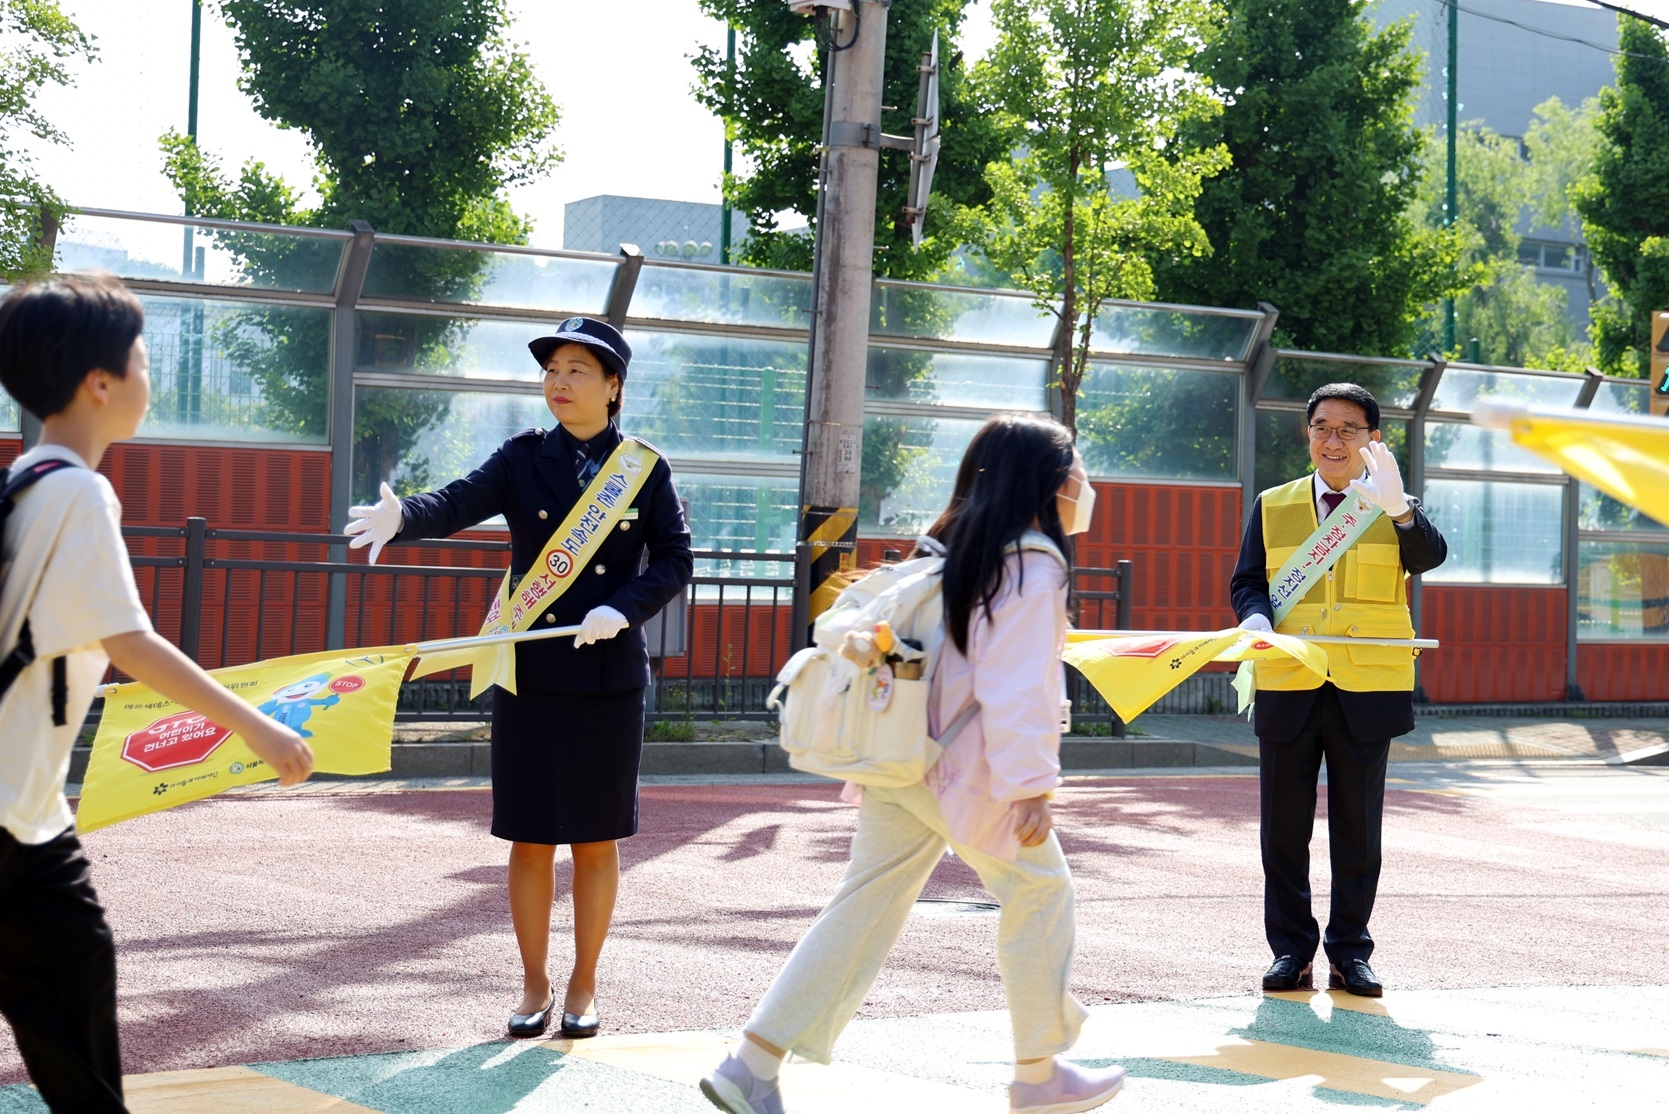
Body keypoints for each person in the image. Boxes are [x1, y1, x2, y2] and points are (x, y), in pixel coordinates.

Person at [700, 412, 1125, 1114]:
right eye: (1074, 463)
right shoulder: (1031, 562)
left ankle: (753, 1062)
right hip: (968, 771)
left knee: (864, 903)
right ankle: (1038, 1072)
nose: (1084, 478)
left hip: (900, 761)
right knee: (1041, 892)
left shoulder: (954, 548)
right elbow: (1016, 687)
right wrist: (1031, 787)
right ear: (1047, 480)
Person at [0, 274, 314, 1113]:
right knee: (72, 1002)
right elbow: (130, 642)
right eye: (140, 356)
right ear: (99, 384)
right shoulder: (75, 490)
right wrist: (260, 728)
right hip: (8, 814)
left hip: (27, 816)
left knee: (73, 989)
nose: (149, 373)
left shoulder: (28, 480)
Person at [344, 316, 690, 1040]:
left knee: (596, 841)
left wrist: (623, 611)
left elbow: (673, 560)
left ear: (614, 386)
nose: (558, 383)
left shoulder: (645, 469)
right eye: (552, 370)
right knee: (530, 838)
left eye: (577, 371)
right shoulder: (522, 457)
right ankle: (533, 982)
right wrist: (403, 515)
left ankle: (584, 983)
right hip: (530, 672)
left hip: (607, 678)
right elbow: (459, 500)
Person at [1231, 383, 1447, 999]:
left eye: (1349, 429)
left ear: (1372, 438)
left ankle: (1350, 952)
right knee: (1282, 832)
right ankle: (1291, 951)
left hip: (1365, 688)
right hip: (1289, 681)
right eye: (1322, 427)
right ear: (1308, 435)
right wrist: (1254, 617)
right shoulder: (1274, 505)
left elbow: (1431, 557)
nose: (1333, 439)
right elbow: (1248, 580)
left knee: (1358, 832)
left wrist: (1400, 508)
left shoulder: (1391, 504)